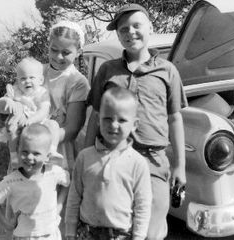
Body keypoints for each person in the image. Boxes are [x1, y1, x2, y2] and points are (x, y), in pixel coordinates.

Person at [85, 3, 188, 239]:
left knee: (151, 229)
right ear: (119, 36)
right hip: (110, 158)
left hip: (153, 161)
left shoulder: (168, 71)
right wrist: (87, 157)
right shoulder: (108, 70)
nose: (130, 32)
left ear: (150, 28)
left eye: (136, 25)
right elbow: (95, 115)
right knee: (113, 227)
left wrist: (180, 166)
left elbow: (175, 118)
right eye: (123, 29)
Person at [66, 87, 152, 240]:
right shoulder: (85, 157)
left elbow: (143, 205)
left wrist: (139, 236)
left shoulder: (138, 163)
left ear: (134, 124)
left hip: (121, 234)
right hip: (87, 232)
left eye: (122, 120)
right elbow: (74, 197)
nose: (113, 125)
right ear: (98, 119)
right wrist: (70, 231)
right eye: (108, 118)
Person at [0, 123, 70, 240]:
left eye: (36, 153)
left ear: (47, 156)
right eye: (25, 152)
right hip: (24, 236)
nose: (29, 157)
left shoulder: (54, 173)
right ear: (18, 151)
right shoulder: (12, 181)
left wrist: (59, 205)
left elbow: (67, 181)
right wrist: (7, 224)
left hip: (51, 234)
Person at [0, 57, 62, 171]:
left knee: (54, 124)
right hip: (21, 125)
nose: (27, 81)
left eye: (31, 77)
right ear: (17, 80)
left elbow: (43, 111)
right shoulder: (15, 91)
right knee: (12, 128)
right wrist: (6, 101)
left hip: (40, 124)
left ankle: (52, 151)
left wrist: (31, 120)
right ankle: (14, 157)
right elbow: (0, 105)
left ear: (40, 80)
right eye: (23, 78)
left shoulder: (42, 93)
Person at [43, 20, 90, 173]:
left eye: (66, 52)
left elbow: (72, 128)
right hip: (27, 147)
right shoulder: (36, 72)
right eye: (54, 50)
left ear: (79, 52)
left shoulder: (78, 82)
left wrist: (39, 141)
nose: (58, 57)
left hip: (57, 149)